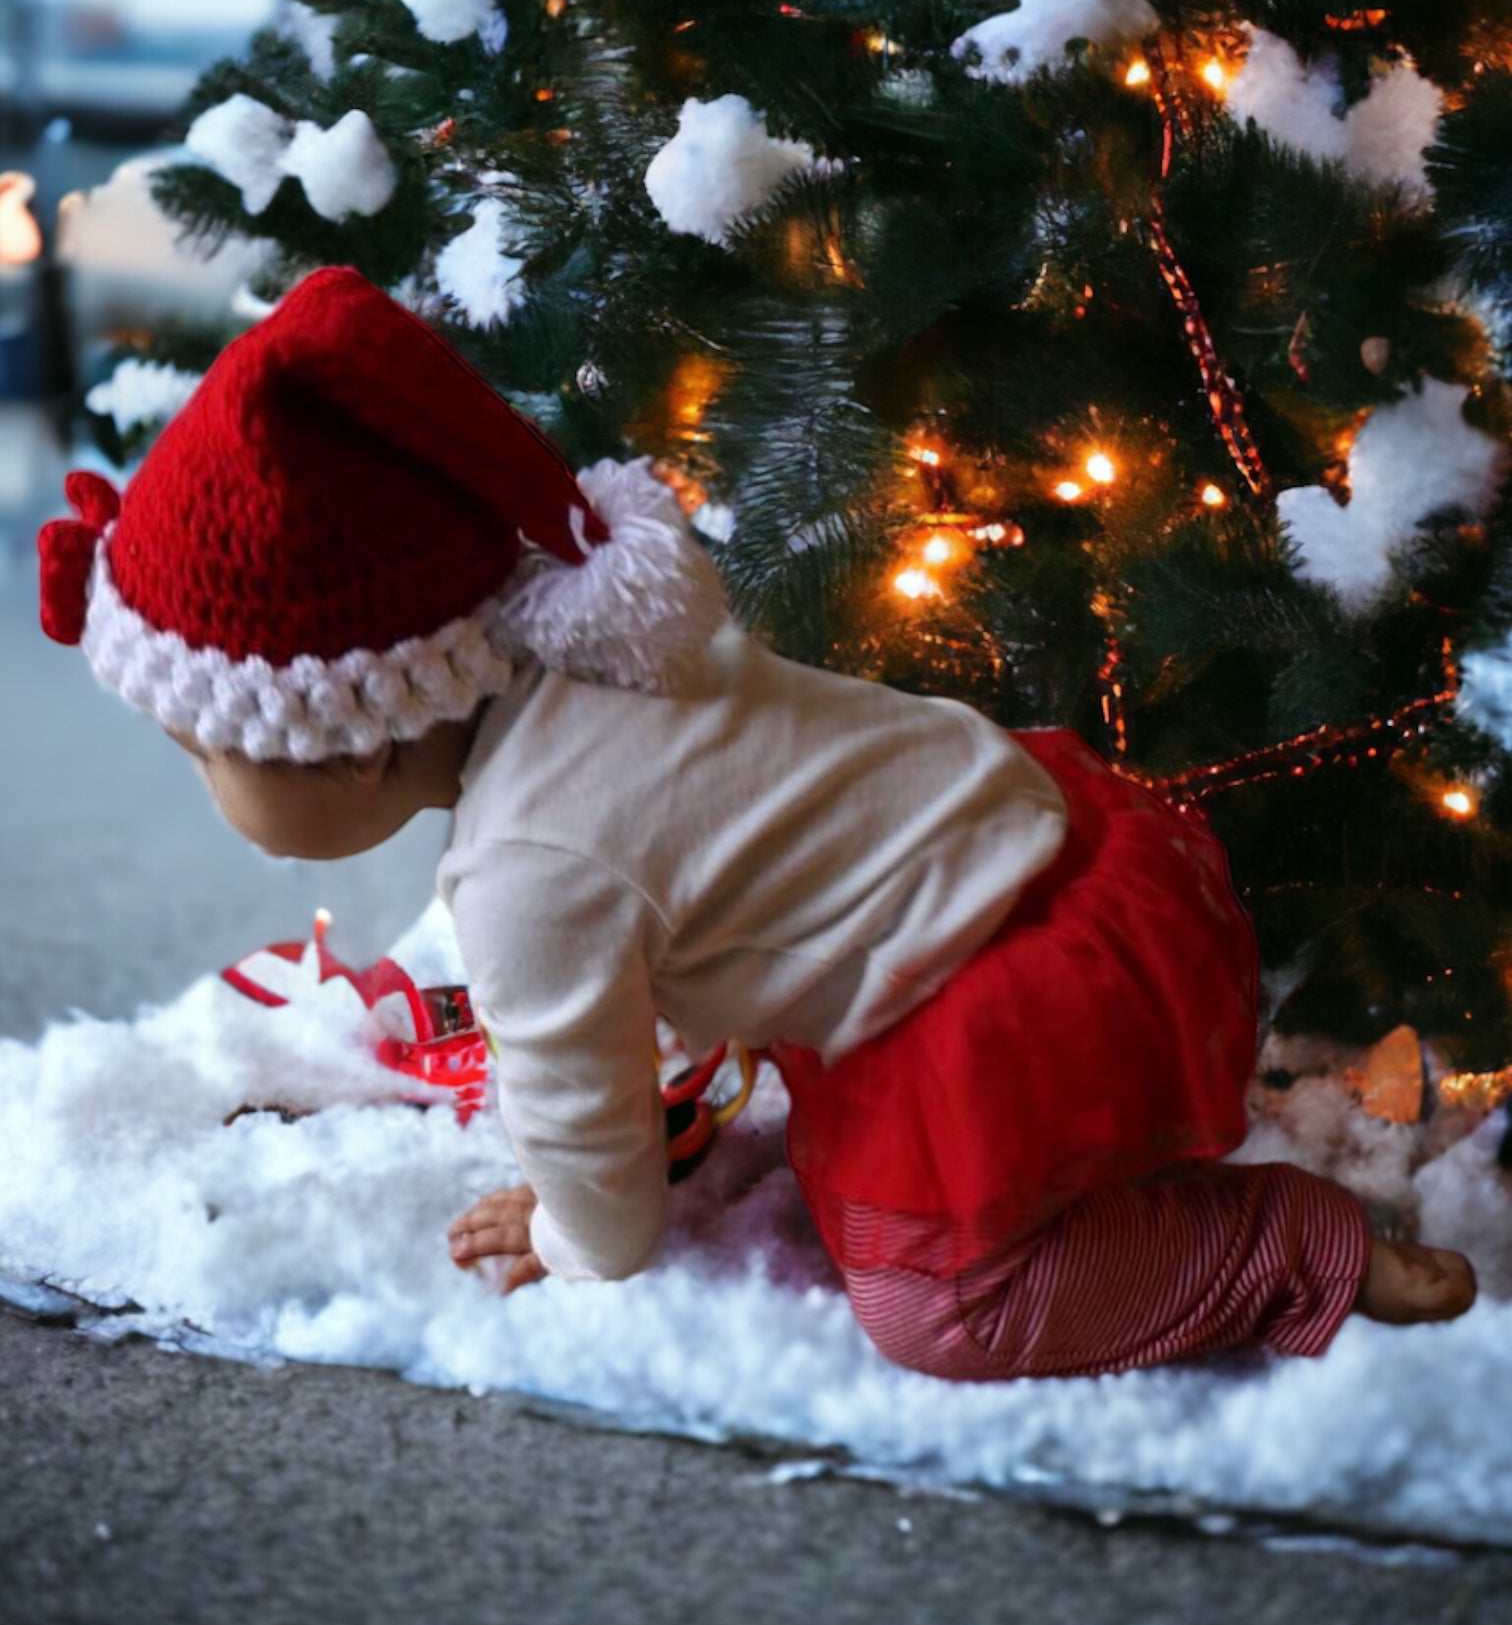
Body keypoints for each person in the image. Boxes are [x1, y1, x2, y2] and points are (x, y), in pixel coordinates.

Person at [38, 267, 1476, 1382]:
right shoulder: (594, 649)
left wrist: (567, 1230)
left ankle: (1283, 1246)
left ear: (353, 744)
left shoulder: (530, 866)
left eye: (204, 748)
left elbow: (590, 1142)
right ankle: (1096, 1173)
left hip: (1008, 991)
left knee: (932, 1305)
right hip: (1077, 848)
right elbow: (713, 859)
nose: (199, 788)